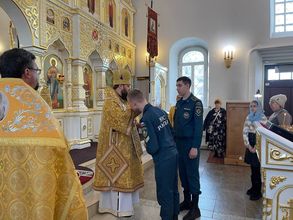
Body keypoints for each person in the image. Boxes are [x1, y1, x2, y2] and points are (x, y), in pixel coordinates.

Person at [0, 48, 88, 219]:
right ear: (27, 73)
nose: (37, 75)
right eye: (36, 70)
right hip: (30, 192)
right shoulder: (35, 107)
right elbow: (60, 150)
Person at [93, 70, 144, 217]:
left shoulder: (121, 100)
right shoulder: (111, 101)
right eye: (128, 86)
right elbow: (118, 120)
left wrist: (135, 120)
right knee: (118, 178)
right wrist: (134, 108)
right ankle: (116, 208)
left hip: (125, 146)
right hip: (114, 148)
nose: (129, 89)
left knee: (127, 176)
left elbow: (127, 119)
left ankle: (127, 207)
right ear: (121, 85)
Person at [127, 89, 179, 220]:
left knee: (164, 192)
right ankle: (174, 216)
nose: (131, 109)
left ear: (134, 104)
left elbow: (153, 147)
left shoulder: (146, 118)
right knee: (173, 188)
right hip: (173, 153)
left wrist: (145, 143)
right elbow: (171, 132)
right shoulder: (160, 111)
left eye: (130, 106)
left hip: (163, 159)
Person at [173, 76, 203, 220]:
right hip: (179, 144)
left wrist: (195, 147)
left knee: (192, 175)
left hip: (190, 144)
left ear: (187, 86)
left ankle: (195, 208)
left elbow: (198, 127)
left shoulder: (196, 103)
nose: (177, 88)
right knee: (183, 175)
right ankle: (187, 201)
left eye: (179, 85)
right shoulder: (179, 103)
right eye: (177, 85)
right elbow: (177, 124)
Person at [243, 100, 267, 201]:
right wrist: (248, 145)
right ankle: (253, 188)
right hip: (250, 145)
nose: (252, 108)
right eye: (251, 106)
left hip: (258, 145)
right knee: (253, 169)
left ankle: (258, 192)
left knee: (257, 169)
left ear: (259, 107)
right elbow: (244, 132)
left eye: (255, 106)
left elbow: (263, 135)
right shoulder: (248, 117)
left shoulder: (263, 118)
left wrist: (256, 147)